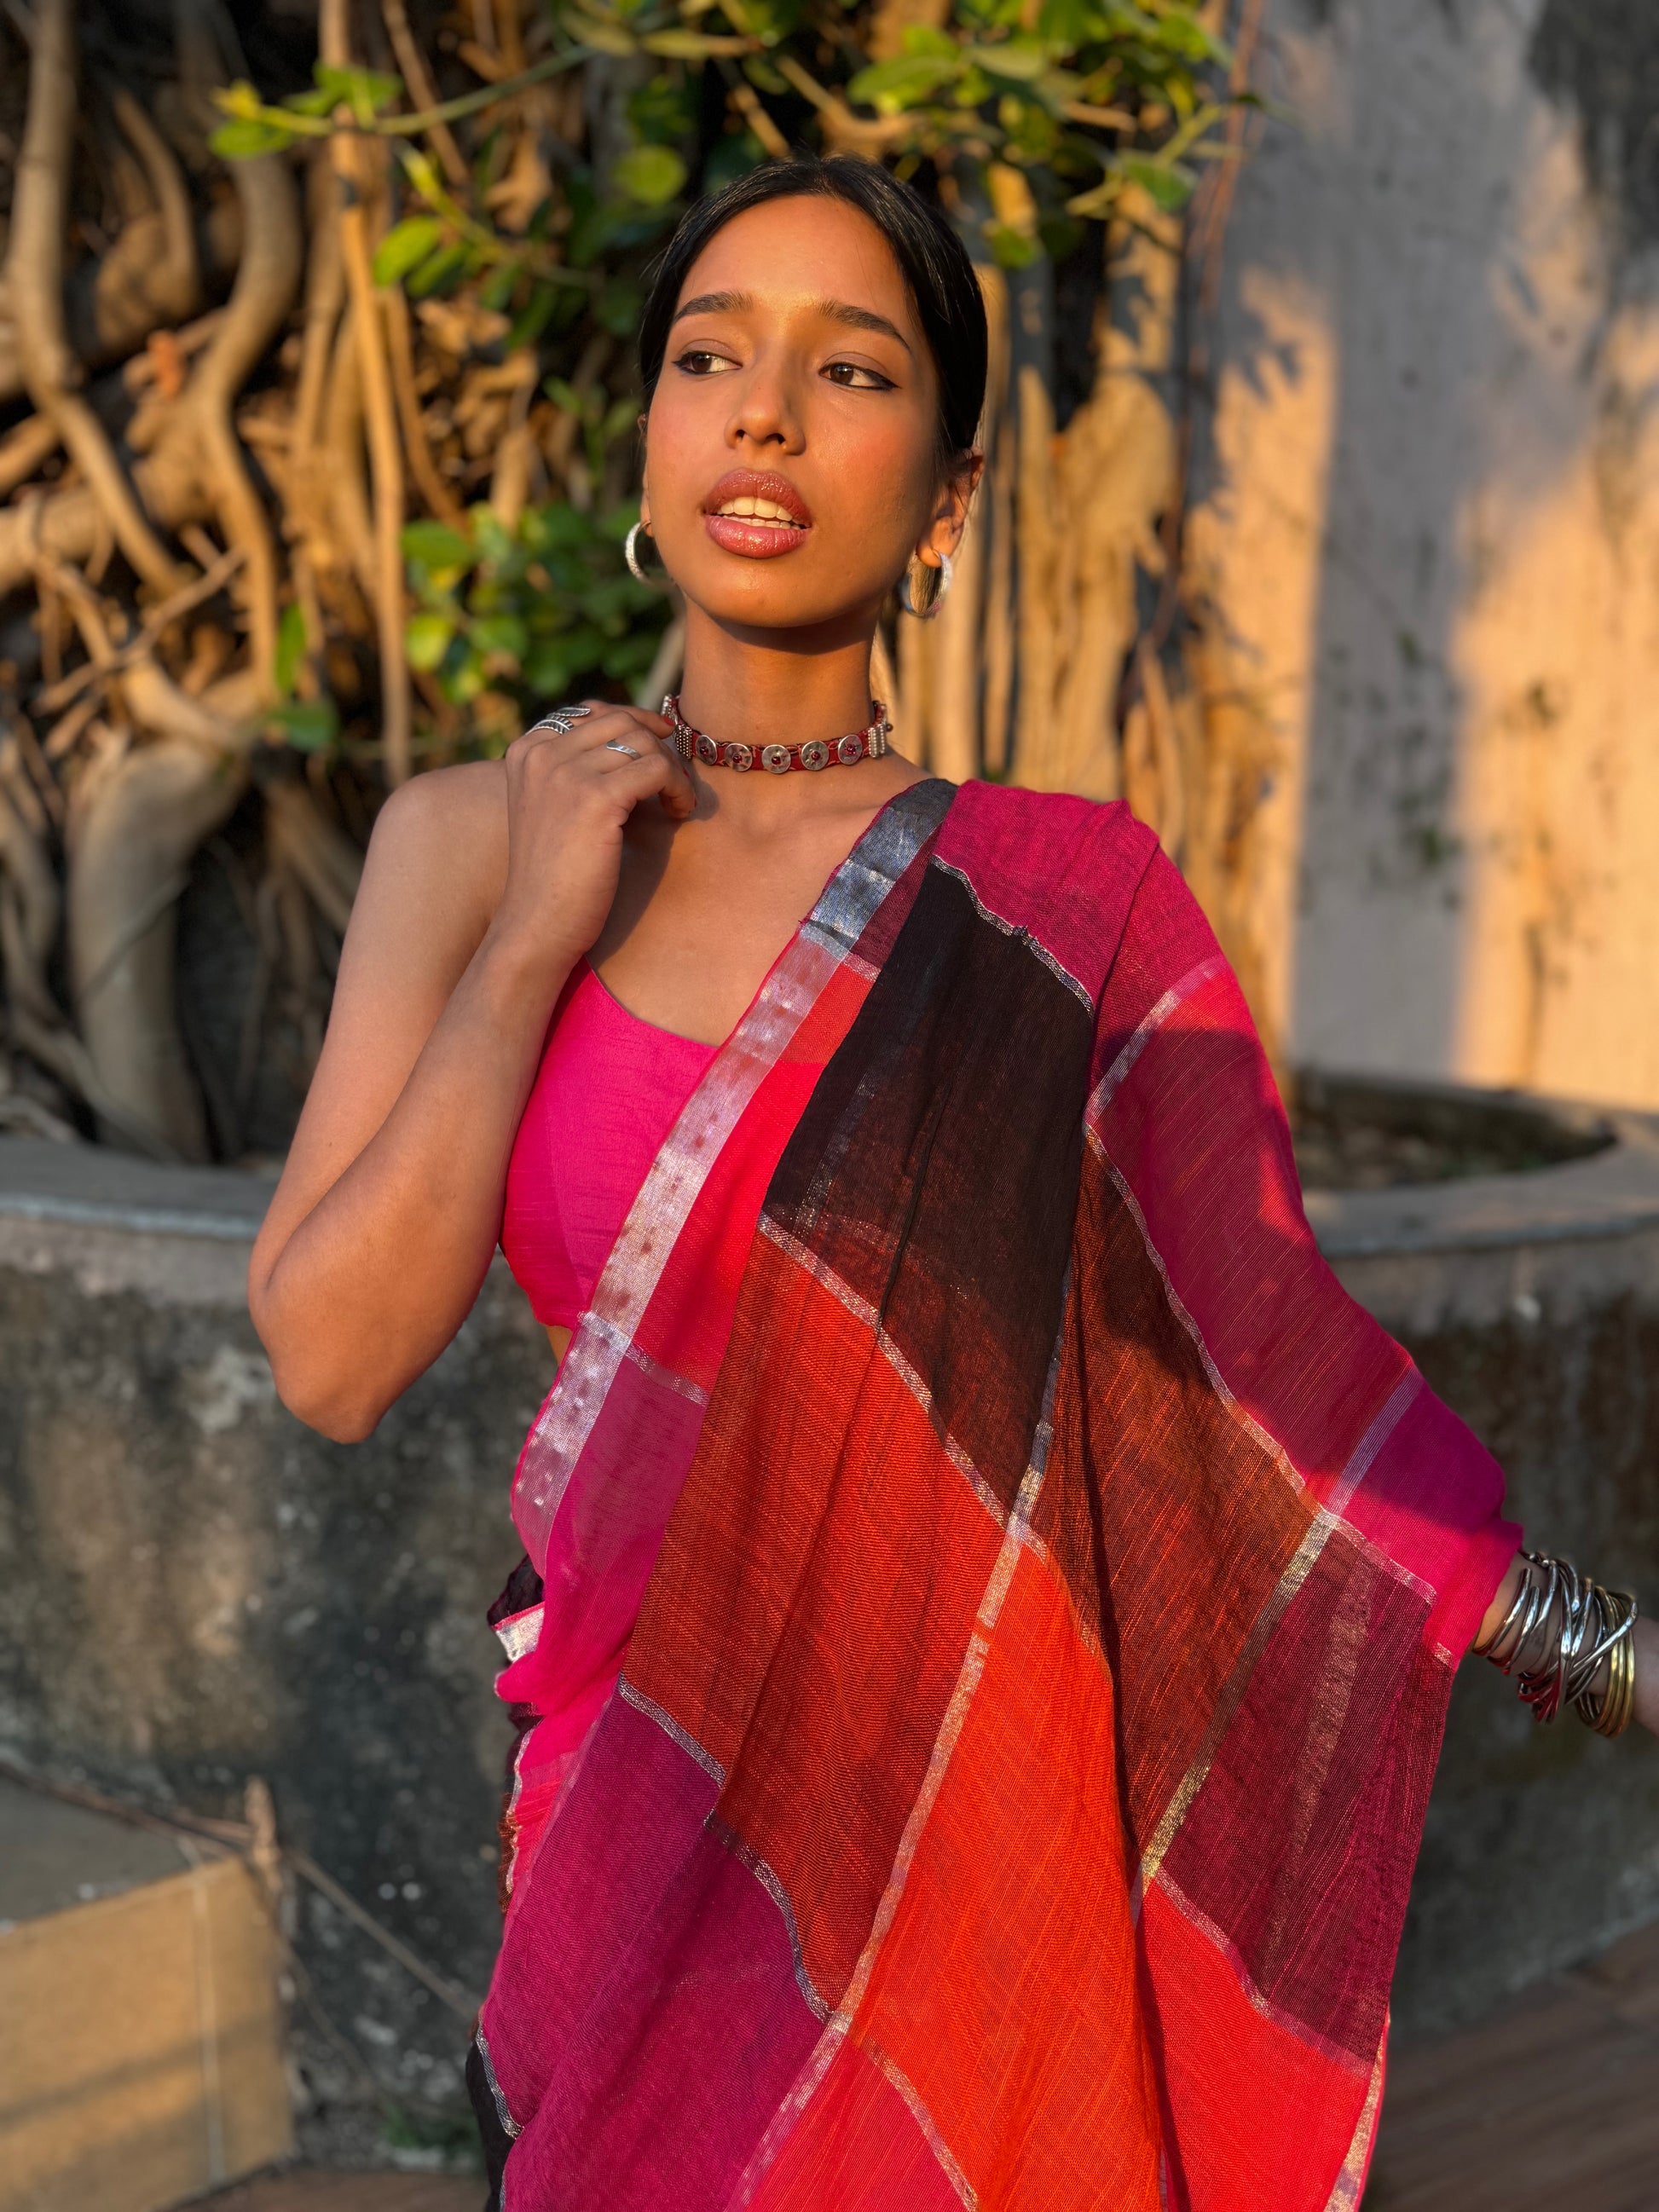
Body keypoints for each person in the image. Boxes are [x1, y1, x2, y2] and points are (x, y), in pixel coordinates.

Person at [248, 155, 1656, 2212]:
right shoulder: (474, 842)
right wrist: (535, 929)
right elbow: (330, 1355)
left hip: (962, 1851)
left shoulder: (1059, 910)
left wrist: (1604, 1649)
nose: (762, 413)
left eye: (850, 370)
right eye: (710, 357)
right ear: (648, 432)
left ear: (947, 496)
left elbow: (1266, 1389)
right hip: (633, 1838)